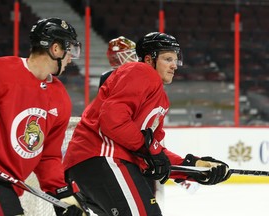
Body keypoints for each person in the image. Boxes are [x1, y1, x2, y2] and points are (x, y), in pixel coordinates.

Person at [63, 32, 231, 215]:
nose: (174, 65)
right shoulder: (140, 71)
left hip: (94, 165)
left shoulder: (161, 100)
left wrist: (194, 167)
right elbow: (113, 120)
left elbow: (154, 149)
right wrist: (148, 151)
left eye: (176, 60)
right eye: (168, 59)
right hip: (102, 158)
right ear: (150, 60)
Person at [0, 17, 88, 216]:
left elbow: (48, 154)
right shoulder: (1, 72)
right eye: (69, 50)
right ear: (56, 49)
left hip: (9, 185)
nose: (71, 58)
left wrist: (61, 192)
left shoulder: (60, 96)